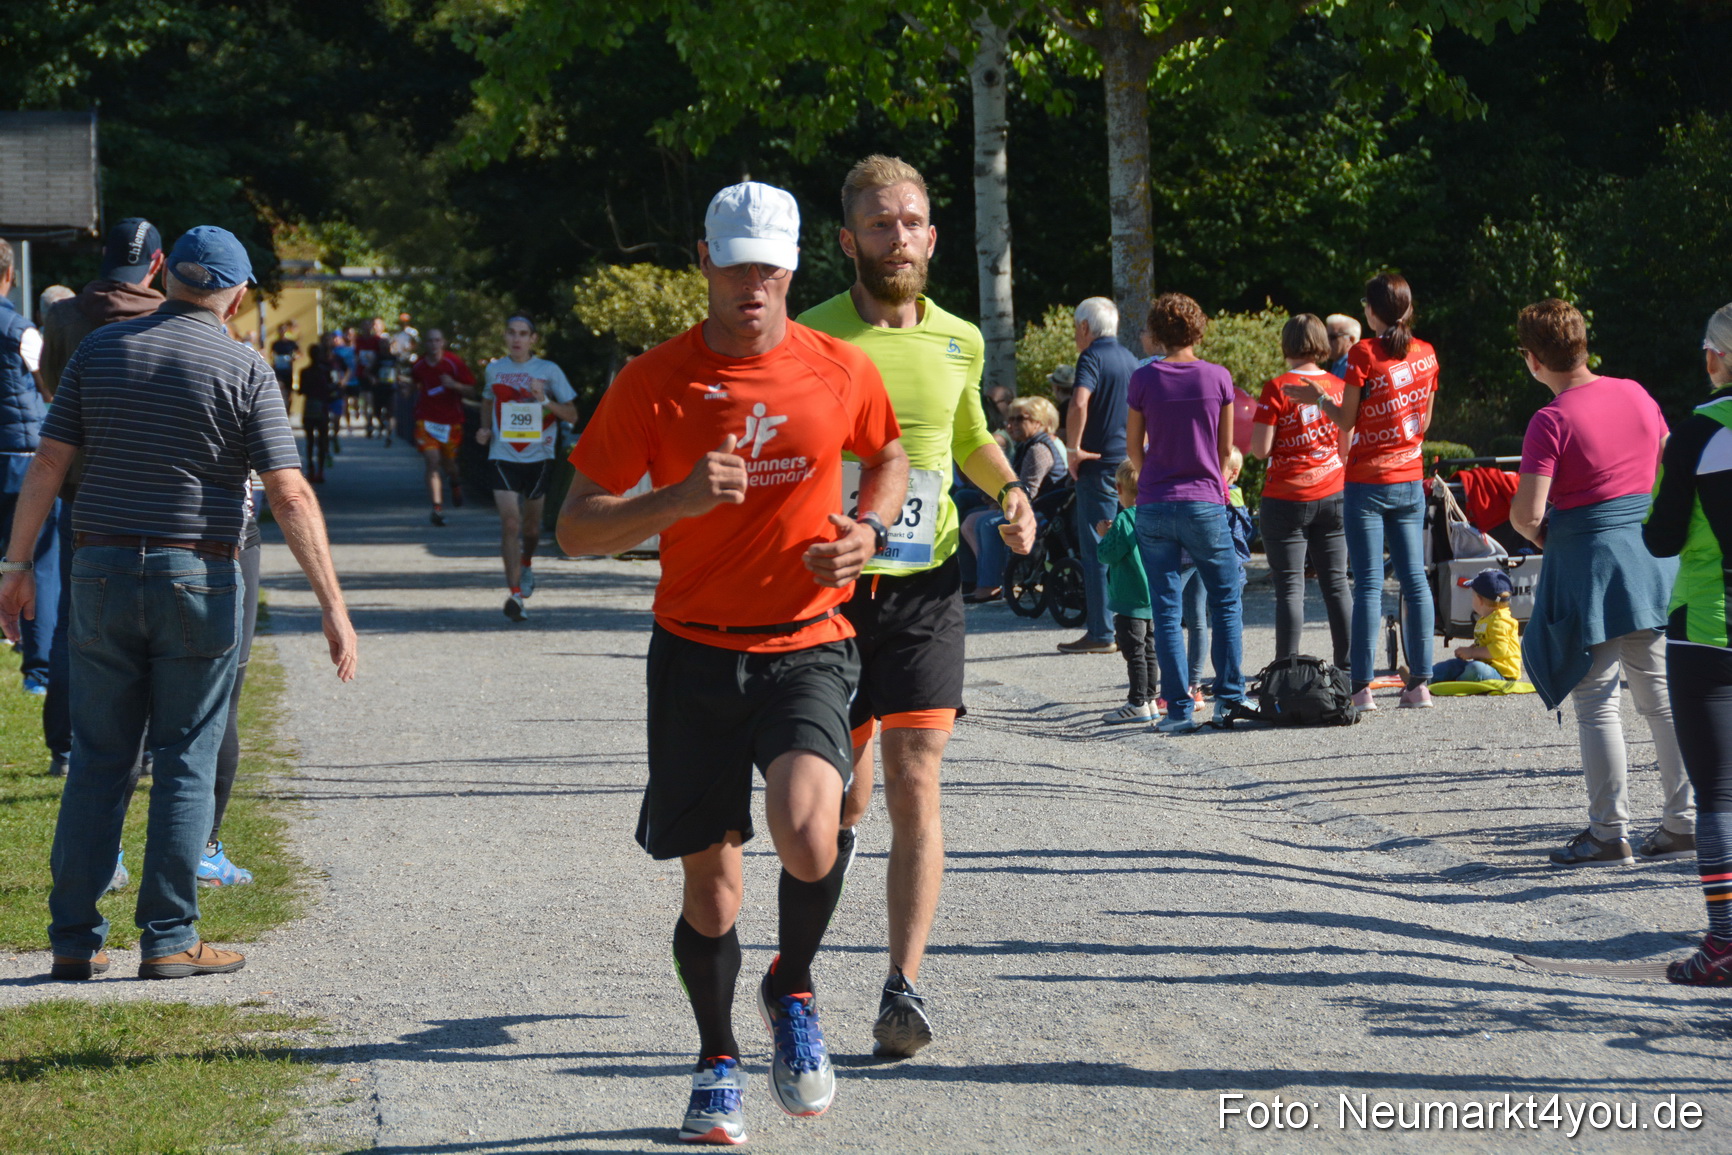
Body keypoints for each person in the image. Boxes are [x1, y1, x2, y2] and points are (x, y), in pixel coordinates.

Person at [556, 181, 908, 1144]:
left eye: (769, 265)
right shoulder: (653, 381)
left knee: (811, 830)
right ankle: (717, 1057)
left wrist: (867, 529)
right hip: (695, 657)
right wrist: (672, 501)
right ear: (703, 261)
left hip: (808, 642)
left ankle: (790, 987)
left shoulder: (840, 367)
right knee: (712, 889)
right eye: (735, 263)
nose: (752, 283)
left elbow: (888, 456)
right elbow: (575, 528)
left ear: (793, 267)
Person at [0, 225, 357, 982]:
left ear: (170, 280)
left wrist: (16, 563)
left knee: (99, 755)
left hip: (97, 566)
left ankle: (73, 937)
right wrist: (331, 602)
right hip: (198, 572)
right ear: (233, 294)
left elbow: (50, 462)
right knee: (186, 753)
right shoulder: (244, 366)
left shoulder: (99, 351)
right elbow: (288, 492)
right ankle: (167, 935)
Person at [798, 155, 1034, 1060]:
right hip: (827, 593)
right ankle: (810, 937)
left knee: (918, 776)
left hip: (927, 588)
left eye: (913, 222)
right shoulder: (808, 336)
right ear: (849, 238)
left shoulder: (960, 338)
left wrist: (1009, 491)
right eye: (881, 223)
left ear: (933, 236)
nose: (899, 237)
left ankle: (904, 985)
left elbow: (967, 434)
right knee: (831, 802)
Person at [1512, 298, 1692, 868]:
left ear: (1533, 359)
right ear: (1584, 345)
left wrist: (1552, 540)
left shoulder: (1551, 419)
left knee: (1597, 703)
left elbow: (1526, 513)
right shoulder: (1637, 393)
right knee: (1662, 699)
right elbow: (1668, 467)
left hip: (1590, 566)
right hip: (1651, 561)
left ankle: (1608, 831)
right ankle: (1684, 823)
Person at [38, 217, 167, 776]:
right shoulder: (171, 319)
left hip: (82, 492)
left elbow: (47, 383)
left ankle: (66, 746)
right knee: (154, 627)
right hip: (155, 495)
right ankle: (144, 749)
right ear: (156, 265)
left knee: (75, 620)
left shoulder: (65, 316)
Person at [1287, 273, 1438, 710]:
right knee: (1414, 580)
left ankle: (1362, 688)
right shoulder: (1426, 353)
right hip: (1410, 477)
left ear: (1372, 312)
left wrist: (1317, 399)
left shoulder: (1362, 353)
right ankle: (1419, 685)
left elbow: (1346, 419)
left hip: (1367, 481)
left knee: (1370, 582)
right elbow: (1424, 423)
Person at [1643, 302, 1732, 983]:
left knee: (1721, 797)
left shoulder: (1698, 432)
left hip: (1710, 629)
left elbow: (1662, 536)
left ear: (1714, 358)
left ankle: (1726, 943)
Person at [1126, 293, 1247, 733]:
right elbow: (1223, 451)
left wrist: (1151, 476)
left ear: (1158, 332)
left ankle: (1177, 709)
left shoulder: (1144, 379)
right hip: (1204, 501)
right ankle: (1229, 699)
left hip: (1156, 501)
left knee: (1165, 607)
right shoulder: (1218, 378)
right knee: (1225, 601)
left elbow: (1133, 448)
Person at [1250, 313, 1351, 670]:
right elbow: (1346, 448)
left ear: (1287, 344)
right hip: (1333, 493)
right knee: (1337, 584)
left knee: (1290, 589)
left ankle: (1287, 672)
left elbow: (1260, 449)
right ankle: (1351, 671)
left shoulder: (1277, 388)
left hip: (1286, 496)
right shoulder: (1339, 387)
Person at [476, 314, 578, 621]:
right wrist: (484, 429)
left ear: (533, 339)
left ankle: (528, 562)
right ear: (505, 337)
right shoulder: (494, 370)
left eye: (523, 334)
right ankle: (516, 595)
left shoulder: (548, 371)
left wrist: (543, 399)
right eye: (511, 333)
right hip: (503, 455)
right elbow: (486, 400)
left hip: (539, 457)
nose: (517, 339)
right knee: (510, 523)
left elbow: (572, 415)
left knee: (531, 530)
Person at [1059, 296, 1136, 654]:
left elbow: (1078, 401)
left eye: (1077, 328)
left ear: (1085, 328)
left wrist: (1073, 449)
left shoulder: (1091, 357)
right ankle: (1132, 626)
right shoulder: (1132, 359)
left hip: (1098, 464)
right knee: (1132, 544)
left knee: (1097, 546)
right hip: (1129, 462)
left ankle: (1102, 631)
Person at [0, 238, 55, 698]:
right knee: (35, 564)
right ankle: (39, 671)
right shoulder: (21, 330)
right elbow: (51, 388)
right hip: (20, 459)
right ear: (10, 276)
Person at [961, 395, 1061, 602]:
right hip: (1025, 504)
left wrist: (996, 505)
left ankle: (990, 584)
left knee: (985, 523)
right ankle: (971, 579)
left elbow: (1028, 493)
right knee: (964, 501)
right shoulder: (1027, 445)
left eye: (1019, 419)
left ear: (1039, 422)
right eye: (1010, 419)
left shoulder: (1038, 449)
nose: (1010, 424)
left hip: (1043, 511)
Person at [1097, 460, 1156, 722]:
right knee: (1150, 651)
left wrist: (1104, 534)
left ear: (1119, 488)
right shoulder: (1153, 513)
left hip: (1129, 598)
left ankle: (1137, 702)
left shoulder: (1123, 518)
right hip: (1152, 597)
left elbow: (1106, 554)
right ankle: (1152, 699)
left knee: (1134, 653)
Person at [410, 329, 475, 526]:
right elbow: (415, 385)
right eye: (430, 341)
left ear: (443, 342)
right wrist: (406, 390)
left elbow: (472, 391)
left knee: (450, 465)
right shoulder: (419, 365)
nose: (433, 344)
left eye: (437, 340)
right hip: (426, 420)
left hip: (451, 422)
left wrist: (455, 385)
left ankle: (455, 483)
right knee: (432, 461)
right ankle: (436, 508)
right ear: (425, 343)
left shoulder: (454, 363)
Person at [1432, 568, 1521, 683]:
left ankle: (1454, 682)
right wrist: (1470, 649)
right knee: (1454, 665)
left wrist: (1472, 653)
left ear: (1480, 600)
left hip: (1502, 674)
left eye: (1473, 596)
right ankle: (1424, 678)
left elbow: (1499, 649)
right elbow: (1484, 642)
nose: (1472, 600)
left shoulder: (1501, 620)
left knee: (1475, 669)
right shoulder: (1487, 618)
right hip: (1486, 666)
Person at [298, 344, 338, 483]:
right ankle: (320, 470)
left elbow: (301, 390)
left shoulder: (305, 371)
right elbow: (333, 388)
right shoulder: (326, 371)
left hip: (310, 406)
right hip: (322, 407)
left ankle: (310, 468)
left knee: (309, 440)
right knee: (322, 439)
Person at [269, 321, 300, 410]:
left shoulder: (291, 343)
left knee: (289, 391)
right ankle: (281, 408)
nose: (282, 331)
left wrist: (293, 358)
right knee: (279, 389)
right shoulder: (275, 343)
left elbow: (299, 353)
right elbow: (271, 354)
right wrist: (274, 361)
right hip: (278, 369)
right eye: (280, 330)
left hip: (288, 369)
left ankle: (289, 409)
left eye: (284, 330)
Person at [1324, 313, 1361, 379]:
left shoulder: (1349, 367)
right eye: (1325, 336)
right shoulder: (1337, 363)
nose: (1327, 341)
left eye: (1332, 337)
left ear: (1351, 340)